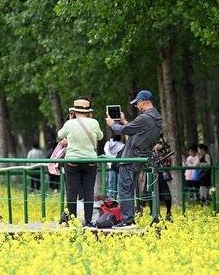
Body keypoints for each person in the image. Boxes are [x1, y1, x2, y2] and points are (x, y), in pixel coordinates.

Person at [106, 90, 163, 228]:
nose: (136, 106)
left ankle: (127, 221)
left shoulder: (144, 118)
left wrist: (112, 124)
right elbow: (137, 130)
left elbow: (123, 130)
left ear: (143, 102)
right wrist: (125, 121)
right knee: (129, 189)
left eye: (137, 103)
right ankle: (129, 218)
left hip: (130, 158)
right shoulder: (156, 118)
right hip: (140, 158)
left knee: (125, 189)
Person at [57, 98, 103, 226]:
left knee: (72, 191)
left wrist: (71, 120)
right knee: (88, 191)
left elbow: (60, 134)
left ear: (74, 111)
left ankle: (72, 220)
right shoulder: (94, 122)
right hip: (90, 161)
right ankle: (88, 220)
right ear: (88, 111)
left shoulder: (70, 123)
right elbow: (100, 136)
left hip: (72, 161)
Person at [103, 132, 124, 198]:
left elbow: (107, 153)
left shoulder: (108, 143)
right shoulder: (121, 145)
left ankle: (112, 197)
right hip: (117, 165)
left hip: (113, 165)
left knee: (112, 182)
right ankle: (115, 197)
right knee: (115, 182)